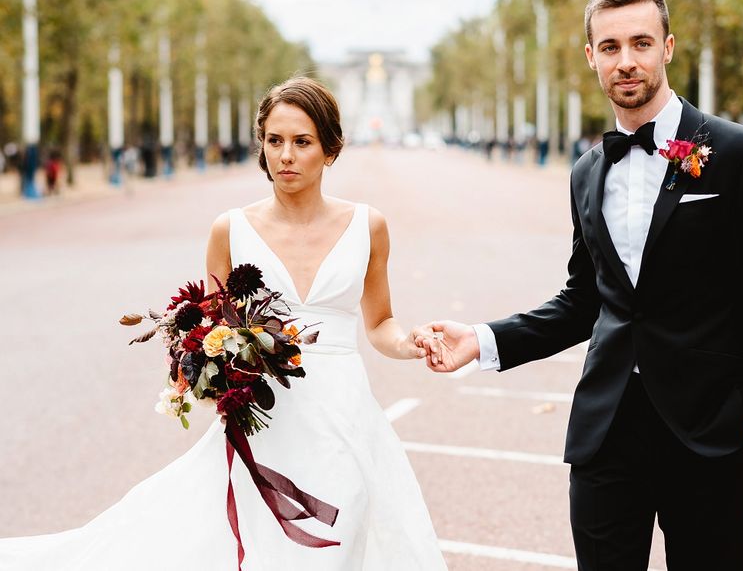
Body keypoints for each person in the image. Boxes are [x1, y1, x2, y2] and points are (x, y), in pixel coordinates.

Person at [0, 77, 447, 570]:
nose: (286, 156)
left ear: (330, 149)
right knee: (260, 545)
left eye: (302, 142)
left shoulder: (369, 226)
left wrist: (411, 343)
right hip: (263, 418)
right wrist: (204, 372)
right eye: (275, 141)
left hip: (346, 414)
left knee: (343, 538)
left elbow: (380, 322)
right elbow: (212, 331)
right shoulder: (230, 229)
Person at [415, 0, 743, 570]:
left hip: (709, 433)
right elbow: (585, 300)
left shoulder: (740, 153)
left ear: (668, 48)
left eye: (640, 43)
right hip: (605, 433)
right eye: (610, 47)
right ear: (590, 57)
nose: (626, 61)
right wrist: (481, 340)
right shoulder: (587, 171)